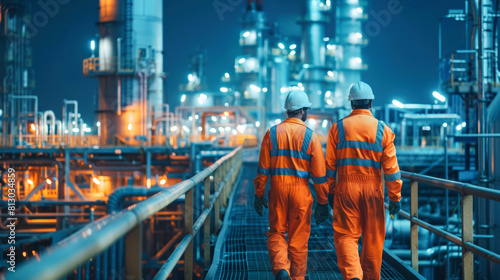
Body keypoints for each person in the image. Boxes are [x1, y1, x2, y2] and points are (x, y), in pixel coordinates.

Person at [326, 82, 402, 280]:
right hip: (372, 191)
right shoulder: (383, 130)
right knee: (373, 239)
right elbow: (391, 170)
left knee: (346, 236)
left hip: (345, 189)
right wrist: (395, 197)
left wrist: (330, 191)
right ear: (370, 102)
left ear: (351, 104)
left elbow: (330, 166)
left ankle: (353, 276)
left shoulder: (338, 128)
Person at [254, 90, 330, 280]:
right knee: (298, 240)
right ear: (303, 111)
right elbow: (319, 176)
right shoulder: (311, 137)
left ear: (287, 111)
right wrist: (323, 202)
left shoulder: (271, 134)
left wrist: (259, 194)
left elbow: (263, 169)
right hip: (301, 192)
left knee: (276, 233)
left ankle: (281, 270)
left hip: (277, 190)